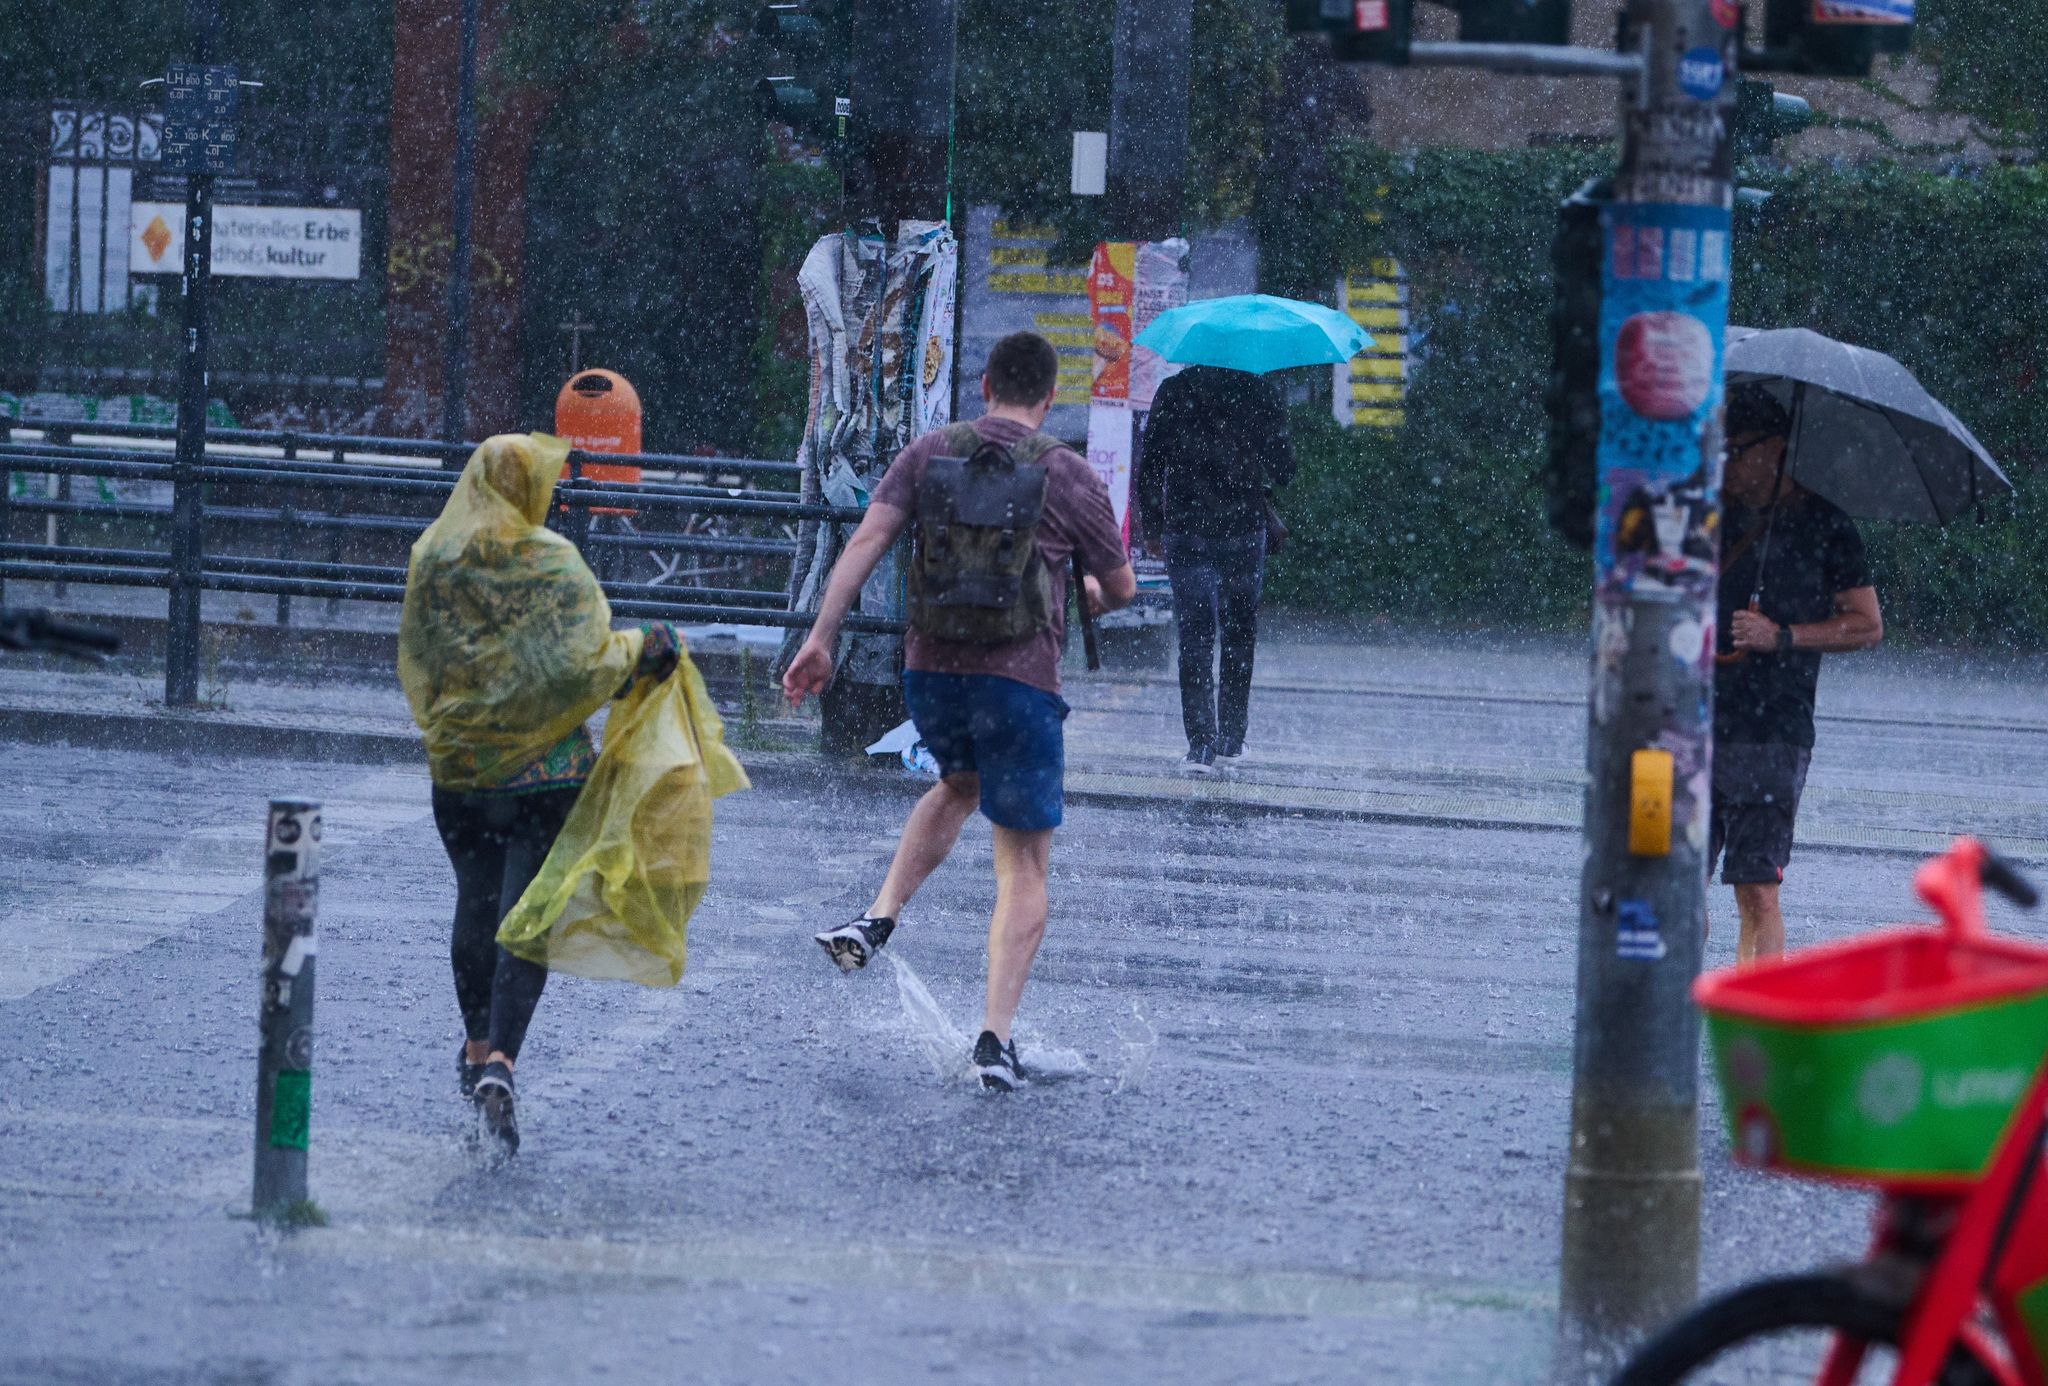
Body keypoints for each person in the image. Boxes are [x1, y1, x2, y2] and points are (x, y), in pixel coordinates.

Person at [782, 331, 1136, 1091]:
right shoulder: (1065, 472)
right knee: (1024, 863)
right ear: (1048, 397)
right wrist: (1092, 594)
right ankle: (993, 1042)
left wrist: (820, 640)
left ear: (983, 387)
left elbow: (867, 541)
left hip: (932, 673)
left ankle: (878, 915)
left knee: (957, 783)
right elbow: (1123, 586)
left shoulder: (928, 452)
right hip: (1018, 683)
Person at [398, 433, 679, 1153]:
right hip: (544, 778)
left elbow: (421, 654)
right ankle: (502, 1063)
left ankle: (473, 1043)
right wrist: (646, 644)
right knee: (530, 916)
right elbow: (585, 662)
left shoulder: (434, 556)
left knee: (475, 898)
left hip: (459, 770)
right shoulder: (553, 560)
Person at [1712, 386, 1883, 963]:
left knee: (1756, 887)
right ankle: (1674, 1015)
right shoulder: (1711, 515)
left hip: (1773, 731)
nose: (1728, 464)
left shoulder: (1825, 525)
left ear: (1776, 448)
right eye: (1721, 449)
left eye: (1738, 450)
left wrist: (1783, 635)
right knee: (1673, 878)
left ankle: (1756, 1024)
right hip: (1695, 720)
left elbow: (1866, 624)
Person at [1136, 364, 1296, 776]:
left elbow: (1151, 463)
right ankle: (1231, 737)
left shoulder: (1174, 390)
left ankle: (1200, 746)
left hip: (1187, 531)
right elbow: (1285, 470)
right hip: (1243, 530)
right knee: (1240, 632)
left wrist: (1153, 525)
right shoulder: (1260, 392)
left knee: (1195, 633)